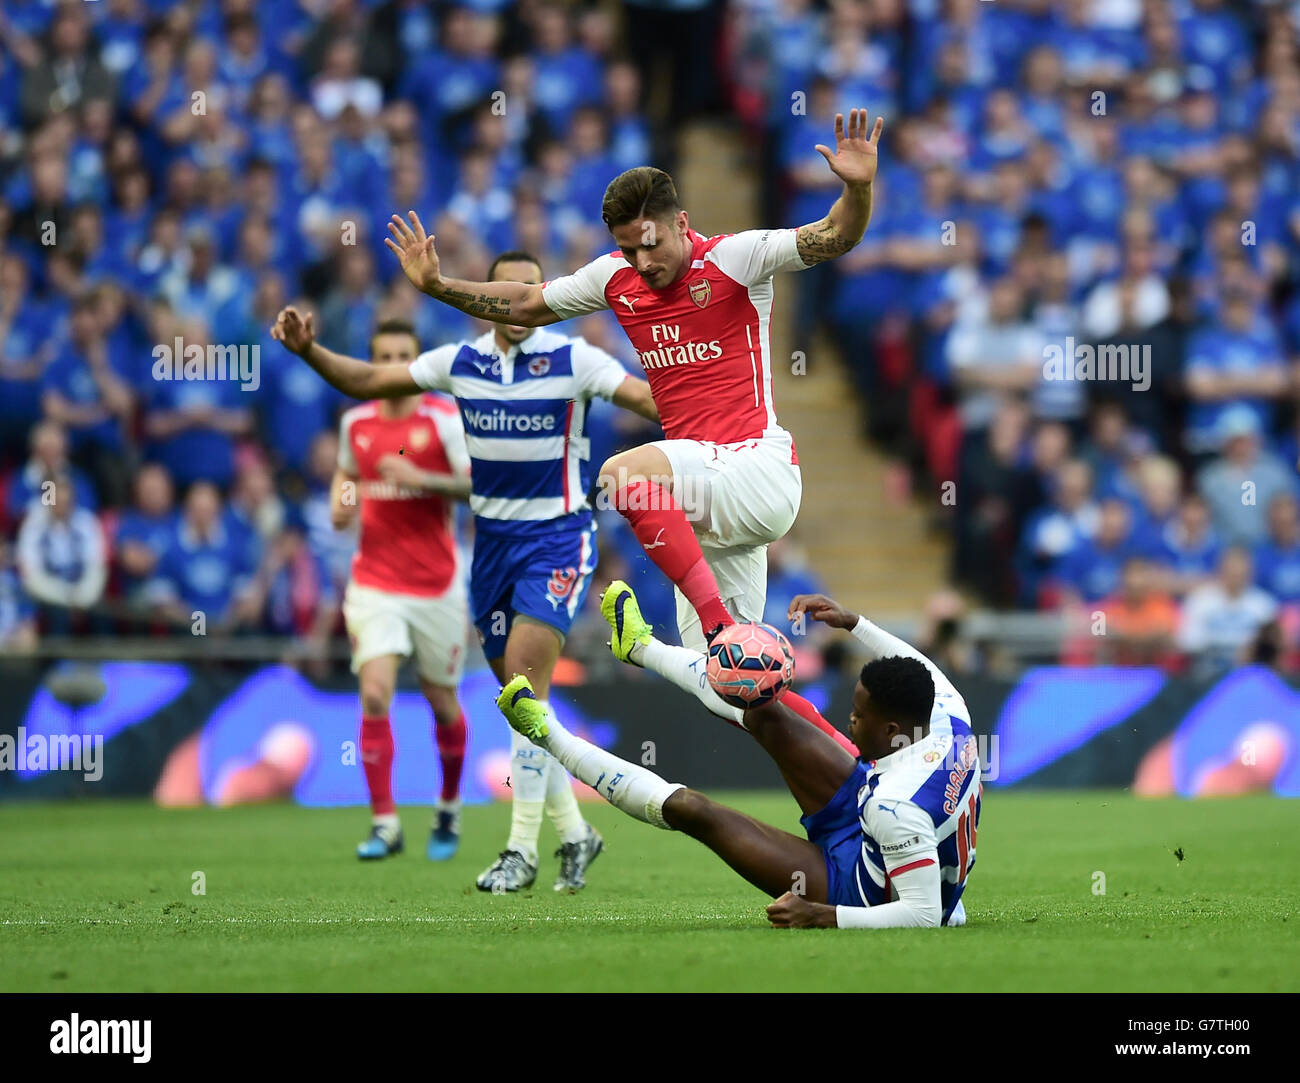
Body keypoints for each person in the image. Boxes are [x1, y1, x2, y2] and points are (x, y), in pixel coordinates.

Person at [382, 110, 885, 655]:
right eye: (628, 249)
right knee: (730, 686)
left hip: (755, 467)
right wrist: (436, 284)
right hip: (704, 499)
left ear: (682, 223)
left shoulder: (735, 259)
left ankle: (712, 627)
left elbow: (835, 235)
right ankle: (830, 735)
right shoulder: (614, 279)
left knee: (620, 475)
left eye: (652, 244)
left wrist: (857, 190)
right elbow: (525, 304)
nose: (643, 263)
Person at [271, 251, 658, 893]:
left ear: (545, 295)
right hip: (492, 547)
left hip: (556, 539)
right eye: (504, 289)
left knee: (527, 694)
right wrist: (310, 351)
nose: (515, 300)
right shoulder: (462, 362)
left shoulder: (575, 359)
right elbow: (369, 383)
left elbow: (643, 397)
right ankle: (576, 832)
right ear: (486, 296)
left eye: (529, 289)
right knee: (521, 708)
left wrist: (714, 413)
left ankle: (519, 853)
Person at [494, 583, 980, 929]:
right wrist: (853, 623)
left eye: (858, 717)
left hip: (855, 886)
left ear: (893, 729)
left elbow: (920, 915)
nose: (848, 723)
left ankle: (545, 732)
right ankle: (641, 647)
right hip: (870, 818)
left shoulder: (897, 806)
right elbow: (920, 665)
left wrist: (820, 915)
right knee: (763, 709)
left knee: (695, 811)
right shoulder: (949, 717)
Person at [331, 319, 474, 862]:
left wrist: (423, 481)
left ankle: (449, 805)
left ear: (417, 363)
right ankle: (385, 822)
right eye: (383, 356)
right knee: (374, 693)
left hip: (436, 584)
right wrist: (341, 503)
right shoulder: (355, 423)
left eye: (402, 356)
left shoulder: (442, 421)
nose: (393, 366)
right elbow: (346, 475)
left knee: (442, 703)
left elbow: (473, 486)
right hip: (374, 582)